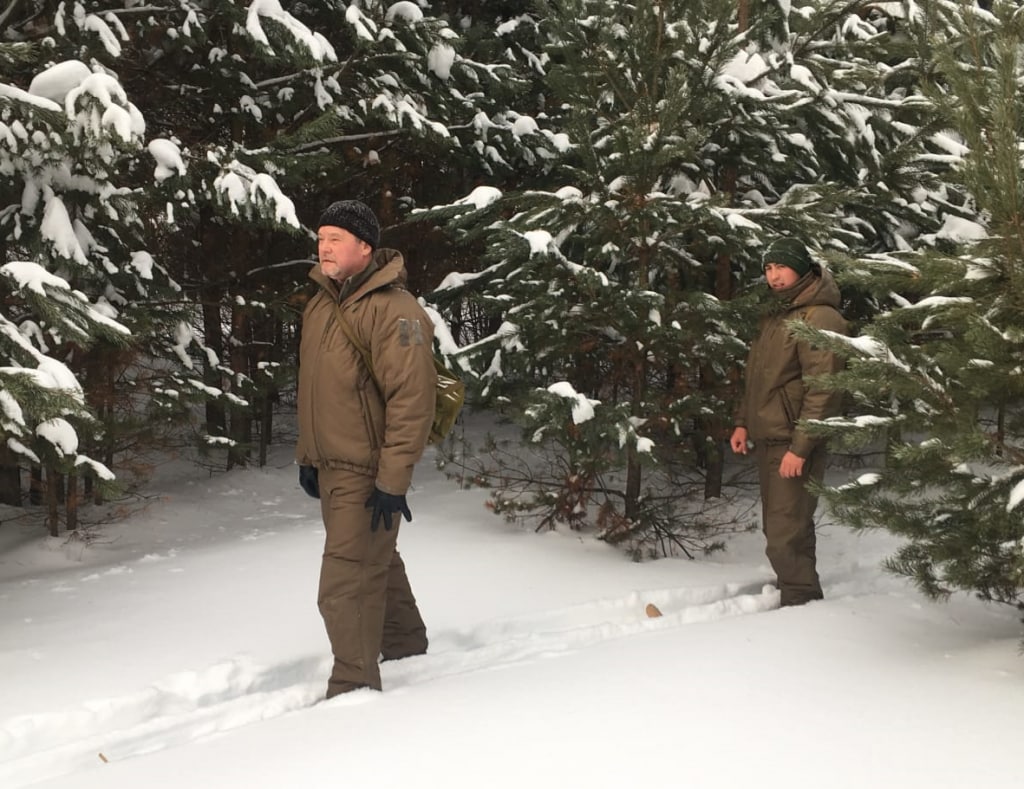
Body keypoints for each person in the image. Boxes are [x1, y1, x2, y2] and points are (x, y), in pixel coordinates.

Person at [295, 199, 436, 697]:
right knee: (375, 557)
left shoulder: (395, 310)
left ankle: (353, 687)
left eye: (336, 239)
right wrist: (310, 456)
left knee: (346, 582)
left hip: (368, 469)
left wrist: (392, 480)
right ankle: (404, 645)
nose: (324, 247)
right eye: (321, 238)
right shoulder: (321, 303)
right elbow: (318, 387)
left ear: (365, 247)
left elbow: (412, 401)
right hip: (332, 465)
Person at [729, 237, 846, 607]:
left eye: (781, 266)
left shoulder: (821, 317)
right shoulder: (777, 315)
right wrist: (743, 422)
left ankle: (800, 604)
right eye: (768, 268)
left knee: (784, 532)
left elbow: (824, 389)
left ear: (800, 268)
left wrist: (801, 447)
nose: (774, 275)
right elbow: (758, 378)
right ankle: (800, 592)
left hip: (794, 441)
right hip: (772, 436)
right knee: (786, 526)